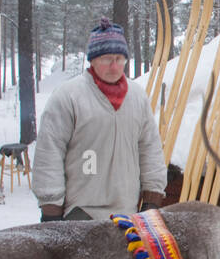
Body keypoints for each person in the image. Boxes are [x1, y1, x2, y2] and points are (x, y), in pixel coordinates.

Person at [33, 17, 166, 222]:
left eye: (119, 59)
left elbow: (150, 149)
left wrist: (152, 197)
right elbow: (49, 152)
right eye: (106, 59)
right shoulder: (69, 96)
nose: (114, 66)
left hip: (128, 215)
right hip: (79, 213)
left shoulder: (137, 97)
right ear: (93, 60)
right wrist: (51, 209)